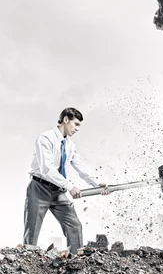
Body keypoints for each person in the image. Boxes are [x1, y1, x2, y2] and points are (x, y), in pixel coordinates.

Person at [23, 107, 109, 254]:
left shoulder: (69, 145)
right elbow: (46, 169)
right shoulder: (45, 138)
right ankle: (27, 264)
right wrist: (70, 186)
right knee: (32, 231)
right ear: (66, 119)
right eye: (76, 124)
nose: (77, 129)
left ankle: (75, 261)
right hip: (39, 188)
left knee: (74, 226)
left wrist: (96, 183)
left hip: (58, 191)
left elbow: (79, 165)